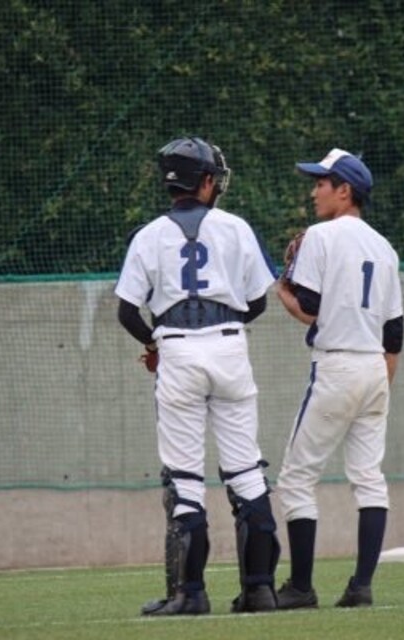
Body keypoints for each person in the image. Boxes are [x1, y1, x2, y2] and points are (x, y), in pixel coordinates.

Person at [114, 136, 280, 615]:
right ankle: (260, 590)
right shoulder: (235, 227)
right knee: (246, 471)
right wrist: (221, 329)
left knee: (186, 479)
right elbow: (258, 301)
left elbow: (127, 312)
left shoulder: (148, 236)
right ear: (206, 181)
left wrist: (155, 344)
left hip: (178, 350)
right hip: (229, 347)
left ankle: (190, 594)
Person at [275, 148, 404, 609]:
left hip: (337, 365)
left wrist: (280, 288)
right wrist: (380, 388)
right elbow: (394, 334)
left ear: (344, 190)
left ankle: (301, 588)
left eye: (320, 183)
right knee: (369, 479)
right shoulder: (385, 248)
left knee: (296, 478)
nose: (314, 192)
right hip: (375, 368)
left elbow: (308, 308)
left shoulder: (321, 236)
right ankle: (361, 586)